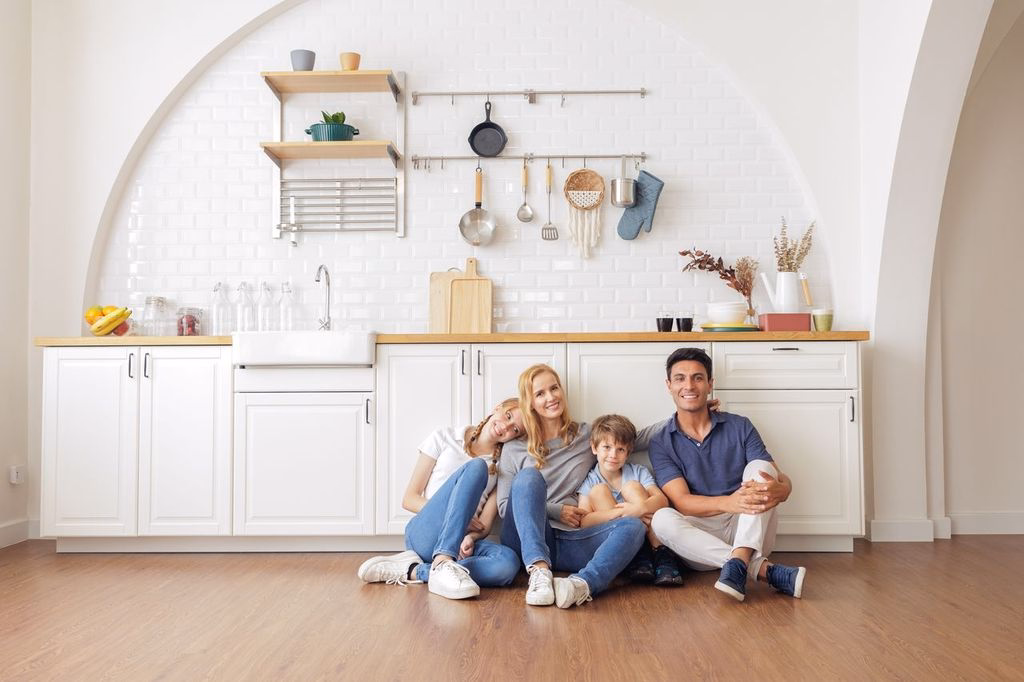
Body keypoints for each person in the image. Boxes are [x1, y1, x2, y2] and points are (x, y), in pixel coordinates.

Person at [497, 364, 665, 609]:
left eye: (554, 388)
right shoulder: (514, 448)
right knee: (529, 477)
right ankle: (539, 571)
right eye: (540, 393)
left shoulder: (585, 436)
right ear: (530, 403)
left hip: (571, 539)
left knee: (632, 525)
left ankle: (581, 585)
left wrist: (687, 414)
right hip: (526, 540)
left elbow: (633, 438)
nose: (551, 397)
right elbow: (505, 507)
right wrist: (557, 511)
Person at [649, 347, 806, 602]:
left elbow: (774, 475)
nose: (689, 385)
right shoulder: (661, 442)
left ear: (710, 384)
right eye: (680, 378)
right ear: (669, 385)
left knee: (761, 468)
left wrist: (785, 488)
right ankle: (759, 569)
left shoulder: (740, 425)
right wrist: (729, 502)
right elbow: (683, 502)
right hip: (699, 541)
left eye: (698, 377)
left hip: (748, 525)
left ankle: (740, 561)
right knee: (661, 519)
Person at [357, 399, 523, 600]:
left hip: (461, 542)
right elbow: (409, 498)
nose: (506, 427)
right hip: (426, 533)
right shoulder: (444, 437)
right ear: (497, 408)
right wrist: (455, 514)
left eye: (515, 430)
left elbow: (484, 524)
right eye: (507, 416)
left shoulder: (503, 466)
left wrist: (470, 538)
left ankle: (415, 570)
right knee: (477, 467)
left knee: (508, 563)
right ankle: (443, 559)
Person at [576, 414, 683, 586]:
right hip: (619, 540)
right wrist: (622, 514)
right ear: (594, 447)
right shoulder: (590, 481)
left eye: (620, 449)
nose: (613, 455)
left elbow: (662, 500)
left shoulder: (638, 472)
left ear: (628, 452)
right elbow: (584, 521)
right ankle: (636, 556)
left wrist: (638, 509)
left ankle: (661, 554)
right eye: (607, 447)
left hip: (649, 537)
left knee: (632, 486)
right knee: (599, 491)